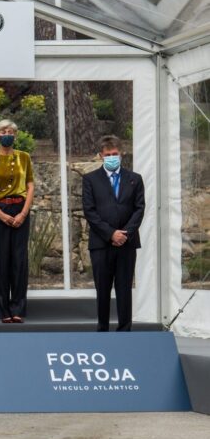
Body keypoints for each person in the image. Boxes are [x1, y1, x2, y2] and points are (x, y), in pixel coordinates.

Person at [82, 135, 145, 332]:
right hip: (101, 244)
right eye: (107, 154)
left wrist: (124, 233)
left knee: (124, 288)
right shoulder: (90, 179)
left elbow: (139, 208)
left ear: (121, 154)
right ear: (101, 155)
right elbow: (89, 211)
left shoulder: (135, 179)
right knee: (103, 289)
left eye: (115, 154)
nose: (111, 157)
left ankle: (125, 330)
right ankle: (103, 330)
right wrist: (111, 234)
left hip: (127, 243)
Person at [0, 119, 35, 324]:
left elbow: (30, 185)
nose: (7, 134)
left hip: (20, 208)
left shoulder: (24, 157)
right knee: (0, 259)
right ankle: (3, 309)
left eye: (10, 131)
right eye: (3, 131)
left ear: (16, 135)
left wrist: (24, 212)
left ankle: (18, 308)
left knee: (19, 260)